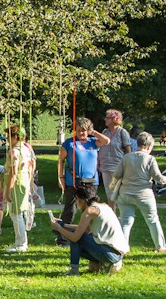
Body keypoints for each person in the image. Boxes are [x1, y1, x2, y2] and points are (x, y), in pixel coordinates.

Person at [112, 132, 166, 252]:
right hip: (144, 195)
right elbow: (159, 179)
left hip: (124, 194)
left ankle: (122, 248)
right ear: (149, 146)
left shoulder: (126, 157)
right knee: (152, 220)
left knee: (125, 222)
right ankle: (160, 246)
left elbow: (117, 174)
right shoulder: (150, 159)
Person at [51, 184, 129, 276]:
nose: (76, 203)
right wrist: (64, 225)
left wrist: (59, 228)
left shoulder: (89, 211)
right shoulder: (104, 206)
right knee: (81, 236)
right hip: (118, 254)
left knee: (76, 237)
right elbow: (85, 229)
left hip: (110, 254)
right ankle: (104, 264)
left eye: (77, 200)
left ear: (83, 199)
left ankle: (74, 270)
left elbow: (75, 237)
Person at [56, 117, 110, 245]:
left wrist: (94, 132)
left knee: (90, 209)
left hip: (91, 182)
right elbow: (61, 161)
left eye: (84, 131)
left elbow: (107, 141)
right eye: (79, 130)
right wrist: (61, 177)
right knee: (70, 209)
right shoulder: (69, 144)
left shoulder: (93, 142)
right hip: (73, 182)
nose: (81, 133)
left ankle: (89, 236)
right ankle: (63, 239)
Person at [3, 124, 36, 253]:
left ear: (15, 136)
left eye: (9, 136)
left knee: (15, 214)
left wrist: (8, 190)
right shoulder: (26, 149)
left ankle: (21, 243)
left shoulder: (14, 151)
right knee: (18, 213)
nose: (7, 139)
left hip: (17, 183)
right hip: (24, 181)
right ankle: (20, 242)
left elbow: (13, 171)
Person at [97, 109, 131, 208]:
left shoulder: (122, 132)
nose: (105, 119)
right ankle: (113, 216)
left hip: (117, 167)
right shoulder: (105, 132)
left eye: (108, 117)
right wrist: (98, 163)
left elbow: (128, 149)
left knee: (119, 192)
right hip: (105, 166)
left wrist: (128, 165)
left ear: (115, 119)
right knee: (110, 194)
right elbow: (101, 148)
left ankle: (123, 215)